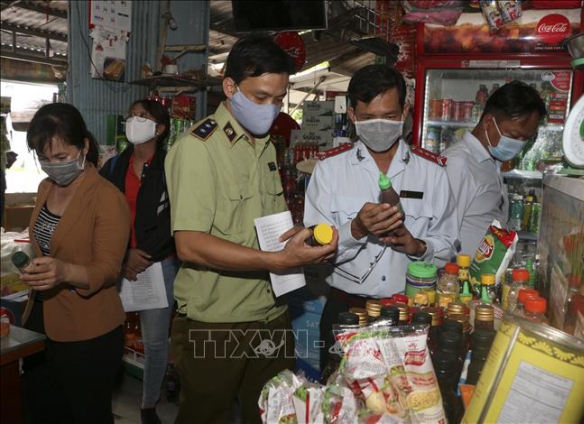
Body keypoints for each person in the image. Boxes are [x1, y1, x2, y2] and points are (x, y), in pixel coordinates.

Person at [165, 35, 338, 424]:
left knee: (275, 413)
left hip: (270, 313)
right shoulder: (199, 148)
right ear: (230, 87)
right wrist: (276, 260)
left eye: (278, 99)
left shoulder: (263, 146)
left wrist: (299, 235)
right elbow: (189, 245)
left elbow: (263, 224)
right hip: (217, 322)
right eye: (260, 98)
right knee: (205, 416)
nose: (270, 109)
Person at [303, 64, 460, 377]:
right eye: (368, 118)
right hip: (346, 310)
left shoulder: (432, 172)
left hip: (411, 314)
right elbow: (314, 252)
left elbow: (450, 246)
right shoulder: (330, 170)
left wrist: (417, 246)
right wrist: (356, 229)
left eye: (389, 117)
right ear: (352, 115)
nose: (380, 126)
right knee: (339, 401)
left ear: (404, 111)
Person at [19, 103, 130, 423]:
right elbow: (46, 244)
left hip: (87, 331)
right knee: (40, 408)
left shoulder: (107, 198)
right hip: (40, 319)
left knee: (85, 413)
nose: (53, 167)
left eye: (62, 158)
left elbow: (108, 269)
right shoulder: (45, 188)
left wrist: (64, 271)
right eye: (44, 159)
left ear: (83, 147)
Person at [99, 99, 178, 424]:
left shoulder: (171, 166)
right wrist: (123, 255)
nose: (133, 120)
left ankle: (148, 405)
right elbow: (101, 214)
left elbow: (176, 218)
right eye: (131, 115)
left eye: (142, 117)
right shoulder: (114, 166)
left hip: (158, 264)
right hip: (116, 262)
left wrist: (142, 255)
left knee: (156, 340)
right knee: (106, 334)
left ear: (159, 129)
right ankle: (103, 397)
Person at [443, 80, 546, 257]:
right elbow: (442, 236)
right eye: (514, 136)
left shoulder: (492, 163)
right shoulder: (458, 163)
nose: (519, 144)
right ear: (489, 122)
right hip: (457, 276)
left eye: (525, 139)